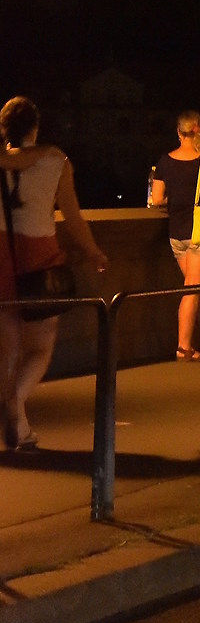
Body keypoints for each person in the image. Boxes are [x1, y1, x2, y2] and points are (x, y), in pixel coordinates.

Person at [0, 98, 109, 450]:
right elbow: (73, 219)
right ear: (36, 126)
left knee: (8, 348)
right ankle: (16, 402)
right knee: (41, 346)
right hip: (39, 250)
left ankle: (19, 424)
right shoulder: (55, 161)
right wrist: (93, 252)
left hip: (0, 250)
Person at [148, 110, 200, 361]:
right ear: (199, 132)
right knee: (193, 290)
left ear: (178, 132)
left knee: (198, 289)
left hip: (177, 234)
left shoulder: (165, 161)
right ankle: (183, 346)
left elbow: (157, 198)